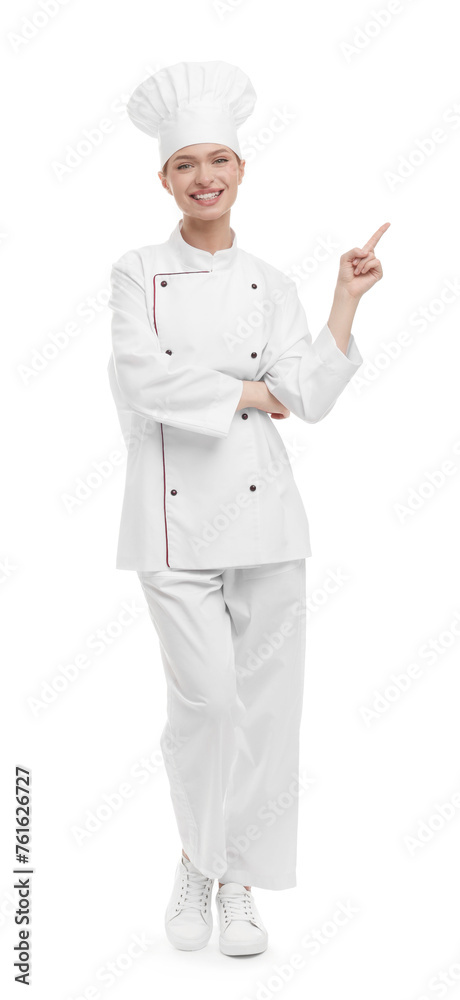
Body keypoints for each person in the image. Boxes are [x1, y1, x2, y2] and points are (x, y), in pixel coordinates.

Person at [107, 59, 389, 958]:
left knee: (268, 707)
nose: (204, 178)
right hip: (169, 519)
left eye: (218, 160)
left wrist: (345, 300)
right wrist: (246, 391)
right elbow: (142, 377)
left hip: (266, 520)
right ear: (164, 177)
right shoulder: (137, 272)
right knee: (209, 700)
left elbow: (305, 392)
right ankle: (196, 854)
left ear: (240, 170)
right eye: (186, 163)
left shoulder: (271, 280)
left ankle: (235, 882)